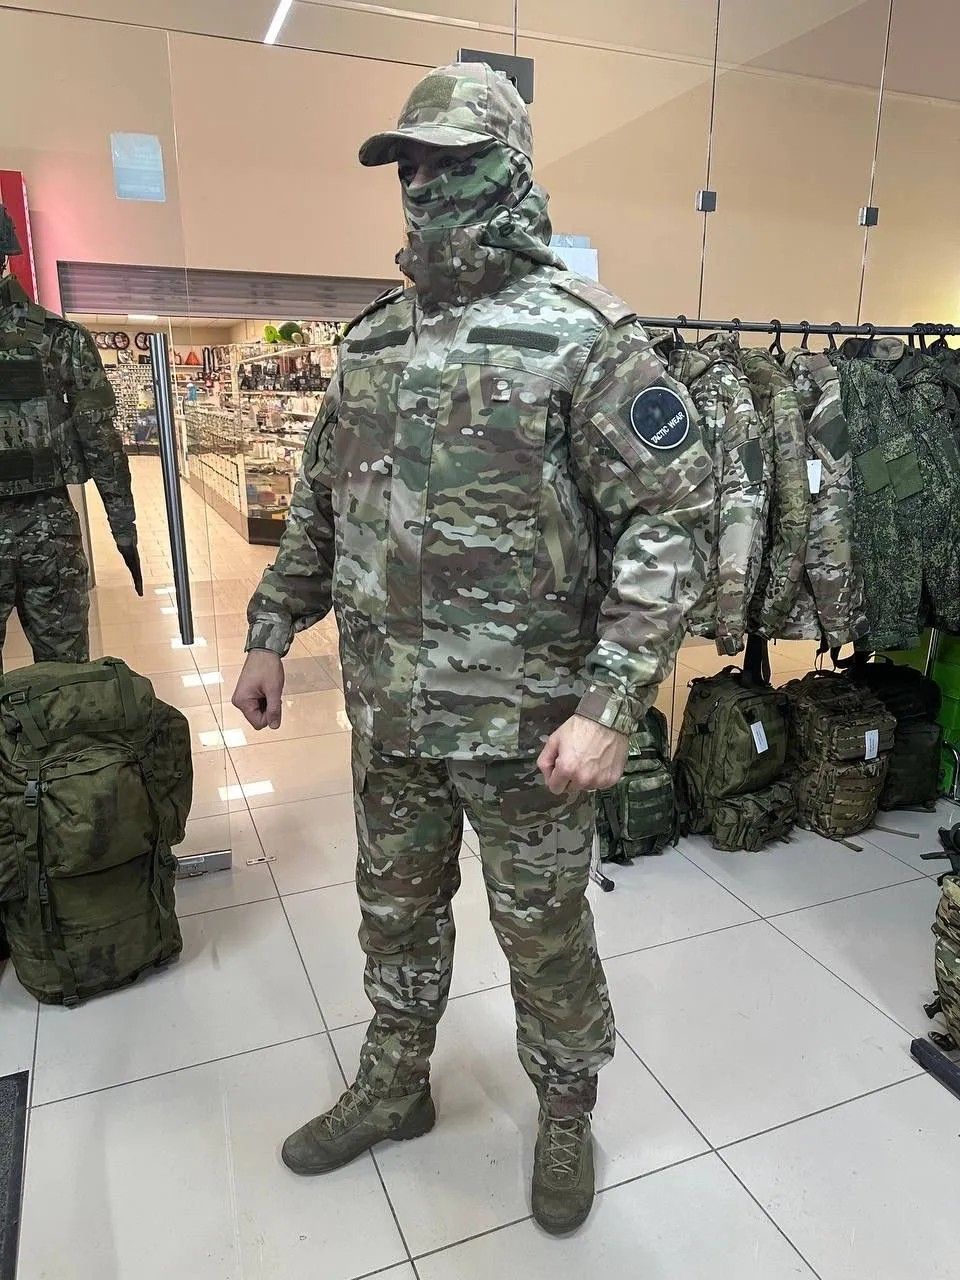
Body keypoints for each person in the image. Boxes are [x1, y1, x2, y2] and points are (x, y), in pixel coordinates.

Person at [233, 62, 713, 1234]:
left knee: (542, 932)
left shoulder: (584, 338)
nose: (423, 184)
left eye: (449, 162)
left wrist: (612, 700)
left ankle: (566, 1107)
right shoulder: (373, 343)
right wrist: (270, 629)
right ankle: (396, 1081)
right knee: (393, 911)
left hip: (527, 729)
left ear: (508, 169)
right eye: (409, 164)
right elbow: (322, 504)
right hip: (391, 716)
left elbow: (673, 516)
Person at [0, 205, 142, 670]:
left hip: (50, 527)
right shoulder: (60, 338)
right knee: (65, 683)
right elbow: (101, 442)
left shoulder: (63, 337)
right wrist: (124, 531)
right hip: (48, 530)